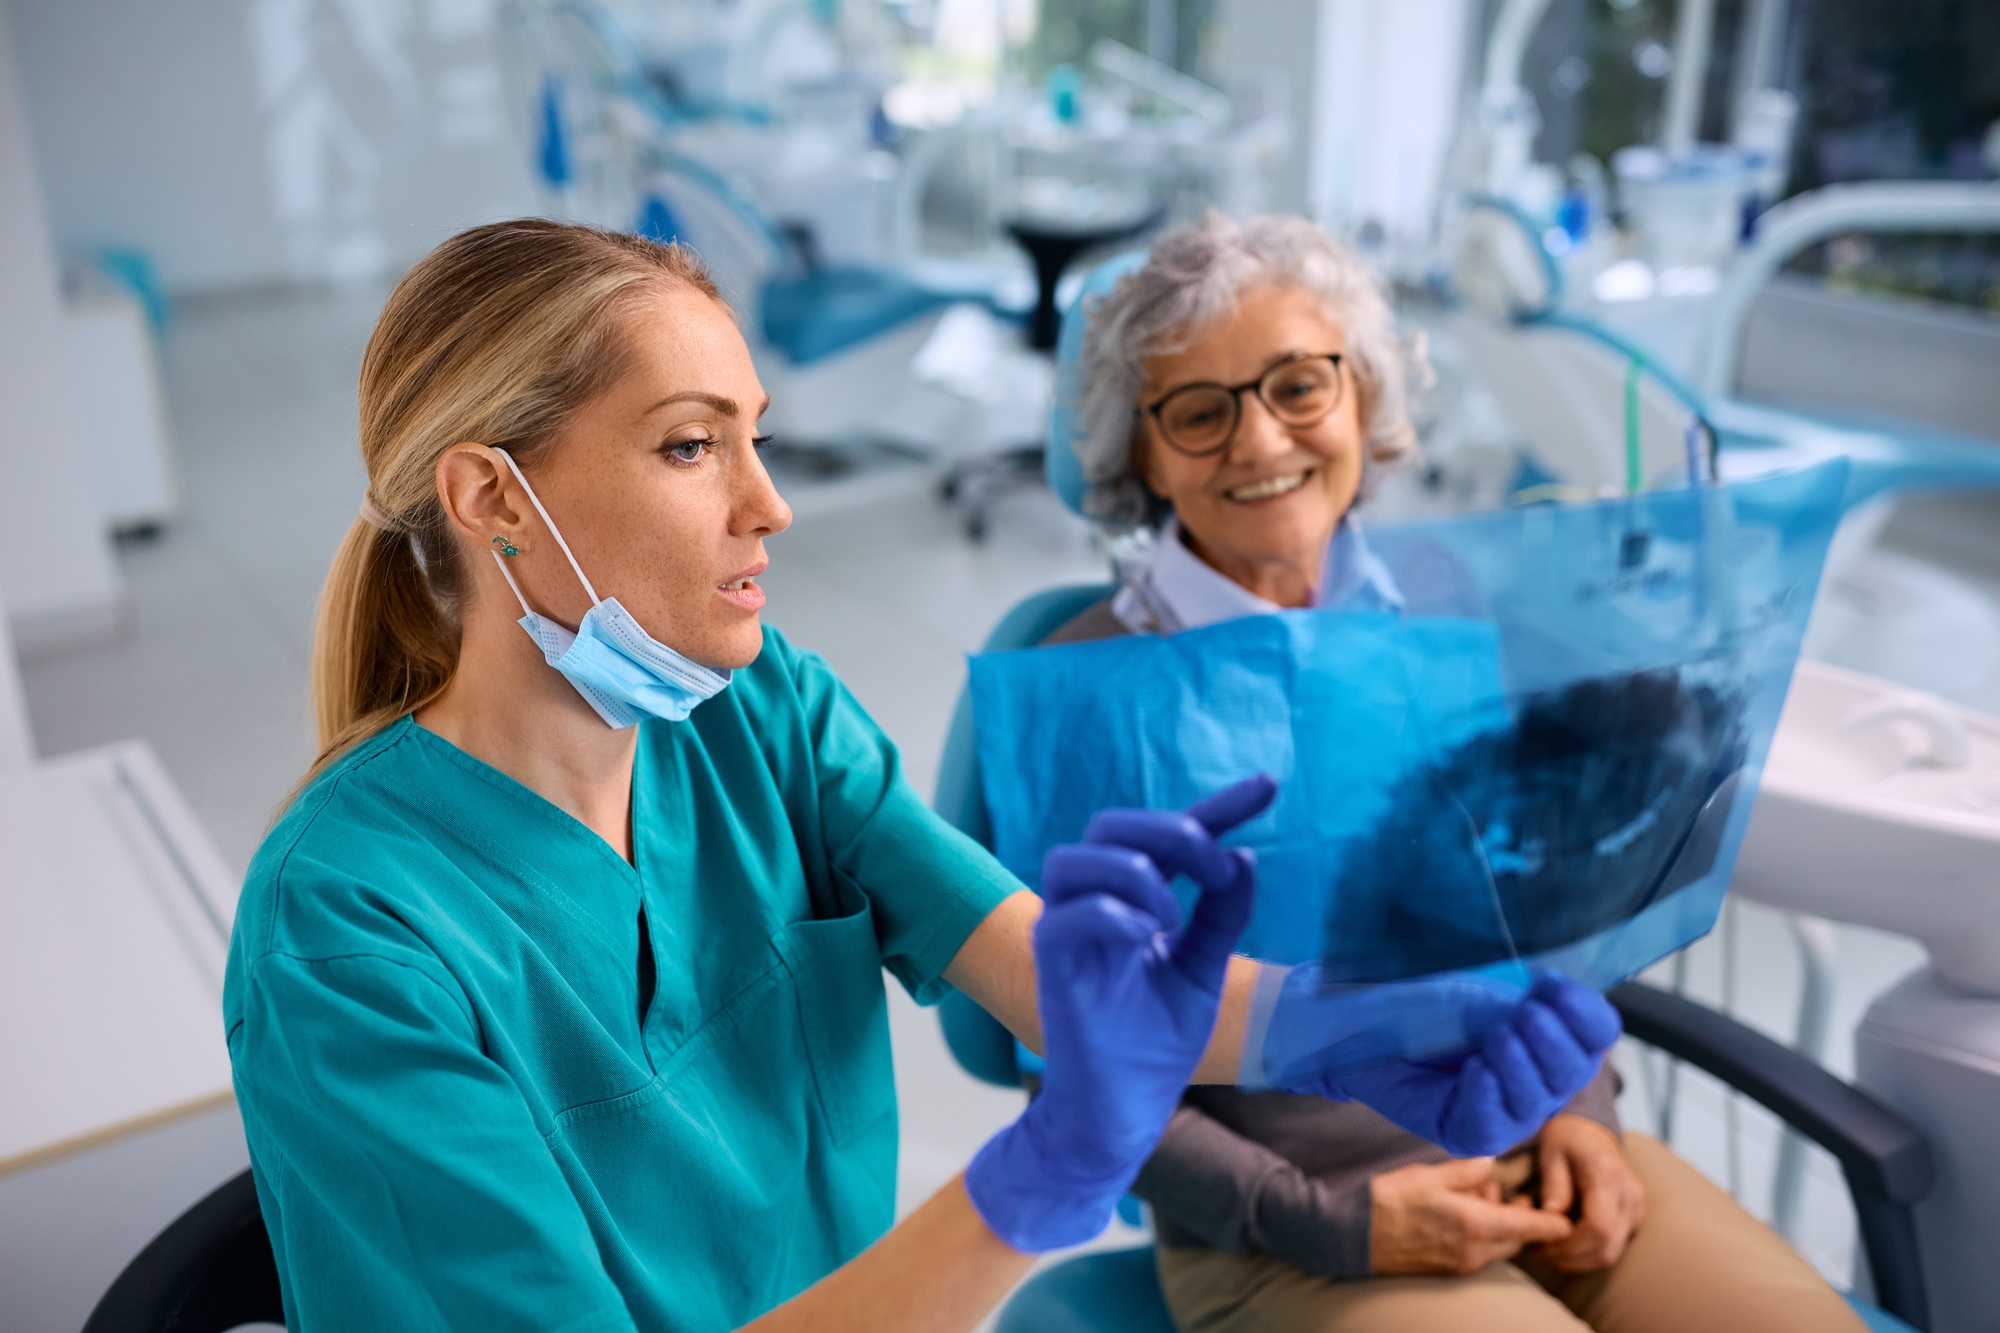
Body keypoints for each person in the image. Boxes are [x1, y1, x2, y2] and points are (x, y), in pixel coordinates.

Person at [221, 219, 1617, 1333]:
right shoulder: (349, 935)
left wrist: (1391, 1026)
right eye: (692, 444)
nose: (769, 503)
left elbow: (1074, 987)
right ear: (489, 500)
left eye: (756, 436)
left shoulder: (760, 715)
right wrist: (1042, 1172)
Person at [1048, 211, 1869, 1333]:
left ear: (1363, 398)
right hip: (1282, 1221)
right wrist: (1318, 1218)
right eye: (1198, 410)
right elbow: (1068, 1061)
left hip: (1532, 1140)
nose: (1258, 442)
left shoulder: (1452, 601)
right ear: (1137, 451)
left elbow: (1551, 914)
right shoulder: (1084, 688)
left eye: (1298, 386)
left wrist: (1585, 1109)